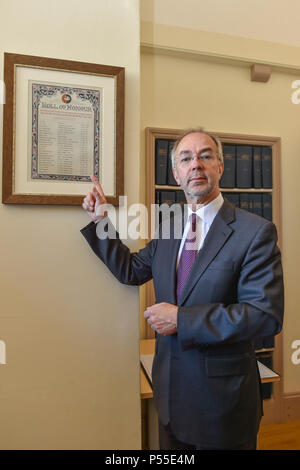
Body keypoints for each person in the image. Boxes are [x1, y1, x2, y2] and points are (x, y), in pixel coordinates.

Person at [81, 128, 284, 450]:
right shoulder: (169, 228)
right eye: (186, 159)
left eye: (205, 156)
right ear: (176, 173)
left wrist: (183, 319)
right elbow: (131, 271)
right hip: (170, 395)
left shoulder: (255, 232)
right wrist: (100, 221)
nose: (196, 165)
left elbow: (264, 316)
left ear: (220, 166)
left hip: (222, 403)